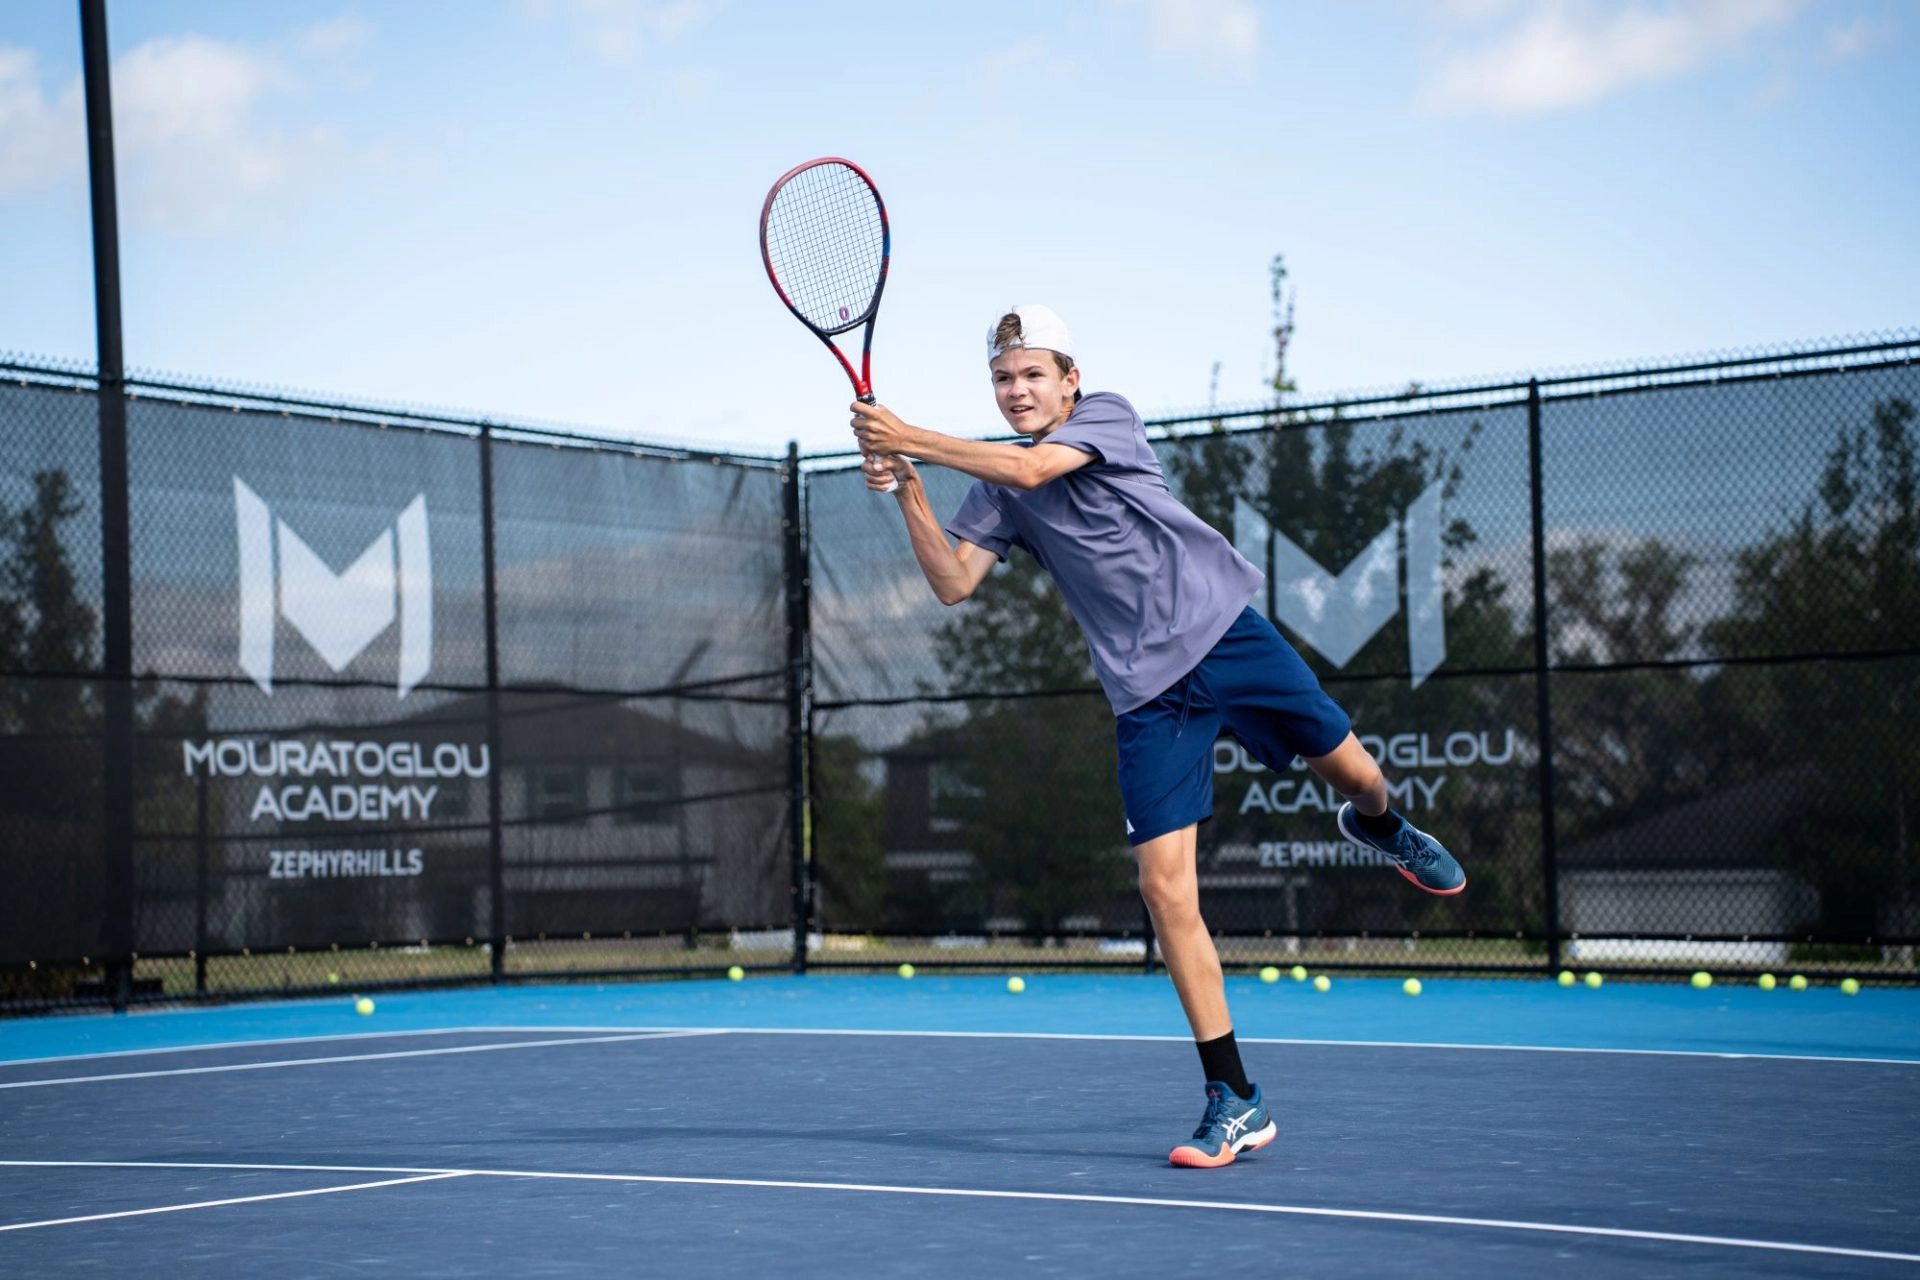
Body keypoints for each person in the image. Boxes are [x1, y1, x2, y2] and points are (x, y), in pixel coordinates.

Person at [850, 304, 1465, 1169]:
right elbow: (953, 582)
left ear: (1070, 381)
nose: (1017, 390)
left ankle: (1381, 826)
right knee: (1164, 889)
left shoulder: (1107, 417)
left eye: (1033, 375)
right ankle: (1235, 1096)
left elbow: (1035, 470)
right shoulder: (993, 484)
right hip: (1147, 694)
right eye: (1003, 378)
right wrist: (910, 485)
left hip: (1227, 637)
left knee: (1359, 776)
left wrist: (908, 435)